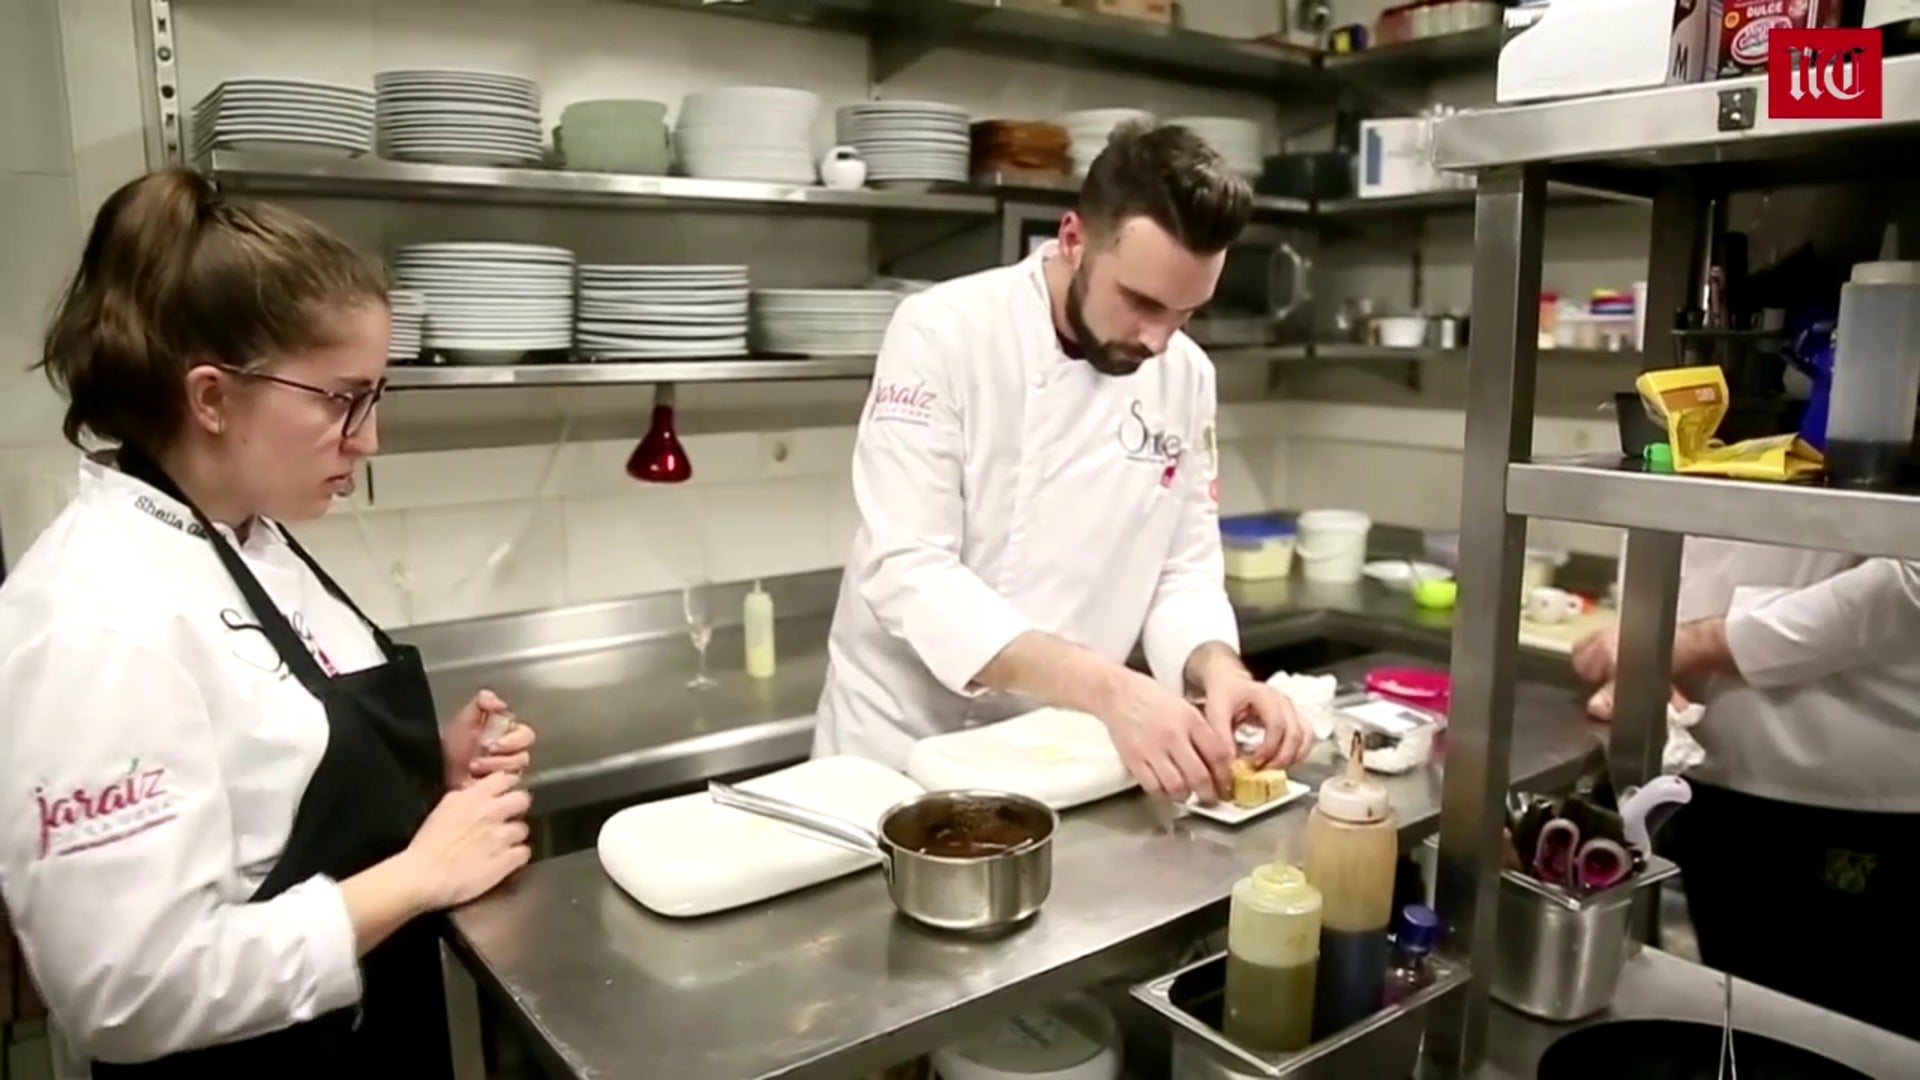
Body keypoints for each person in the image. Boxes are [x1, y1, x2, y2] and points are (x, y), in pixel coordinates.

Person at [0, 169, 538, 1075]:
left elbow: (272, 780)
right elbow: (128, 993)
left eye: (376, 396)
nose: (368, 439)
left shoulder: (252, 534)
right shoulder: (92, 621)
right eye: (342, 399)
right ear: (212, 398)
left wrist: (418, 780)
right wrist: (418, 875)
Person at [814, 122, 1313, 803]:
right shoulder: (943, 332)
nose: (1159, 339)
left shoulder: (1187, 375)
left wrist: (1218, 668)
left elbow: (1182, 570)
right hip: (901, 754)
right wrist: (1111, 690)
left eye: (1188, 312)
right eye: (1142, 302)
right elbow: (909, 569)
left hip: (1060, 756)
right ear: (1074, 239)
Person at [1572, 539, 1920, 1040]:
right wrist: (1651, 654)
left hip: (1844, 789)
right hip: (1707, 770)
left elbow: (1911, 577)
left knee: (1840, 1039)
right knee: (1738, 1024)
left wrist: (1686, 643)